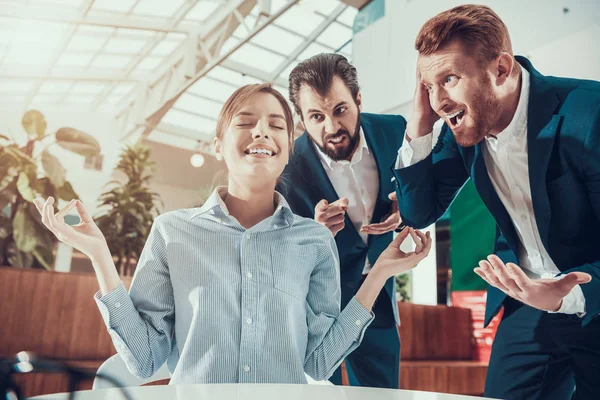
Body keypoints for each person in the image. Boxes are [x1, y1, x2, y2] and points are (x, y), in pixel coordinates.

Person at [33, 83, 431, 385]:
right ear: (218, 146)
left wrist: (378, 272)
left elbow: (318, 362)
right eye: (245, 123)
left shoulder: (314, 241)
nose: (261, 133)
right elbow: (144, 359)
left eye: (276, 126)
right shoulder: (172, 232)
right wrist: (101, 257)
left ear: (288, 150)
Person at [393, 5, 600, 399]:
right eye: (428, 85)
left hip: (594, 297)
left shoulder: (589, 114)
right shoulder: (465, 129)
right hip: (526, 301)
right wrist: (419, 122)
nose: (438, 100)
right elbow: (418, 213)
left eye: (449, 79)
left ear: (501, 69)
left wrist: (567, 295)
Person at [280, 53, 409, 389]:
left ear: (358, 100)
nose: (331, 128)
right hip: (315, 304)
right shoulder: (287, 168)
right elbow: (277, 247)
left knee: (383, 392)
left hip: (375, 292)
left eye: (340, 110)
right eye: (316, 117)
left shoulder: (395, 130)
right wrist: (313, 230)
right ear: (301, 119)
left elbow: (418, 190)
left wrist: (405, 210)